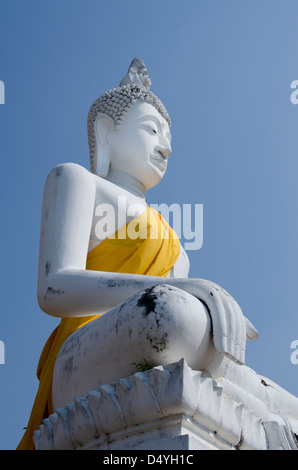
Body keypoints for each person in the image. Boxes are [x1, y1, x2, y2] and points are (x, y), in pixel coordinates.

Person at [19, 58, 297, 450]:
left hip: (160, 349)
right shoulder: (76, 179)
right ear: (106, 132)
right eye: (151, 129)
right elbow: (52, 289)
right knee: (172, 312)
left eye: (168, 136)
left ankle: (267, 413)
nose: (165, 147)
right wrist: (184, 290)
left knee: (262, 381)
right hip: (86, 349)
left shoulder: (176, 248)